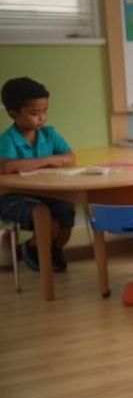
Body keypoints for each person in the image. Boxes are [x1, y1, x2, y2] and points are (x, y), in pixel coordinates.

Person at [0, 77, 76, 271]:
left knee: (66, 212)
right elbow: (7, 167)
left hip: (46, 193)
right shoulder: (7, 139)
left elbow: (69, 157)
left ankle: (51, 250)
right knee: (45, 216)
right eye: (35, 113)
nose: (41, 117)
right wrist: (50, 160)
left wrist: (29, 164)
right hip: (11, 196)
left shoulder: (49, 134)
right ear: (13, 114)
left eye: (44, 111)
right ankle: (33, 248)